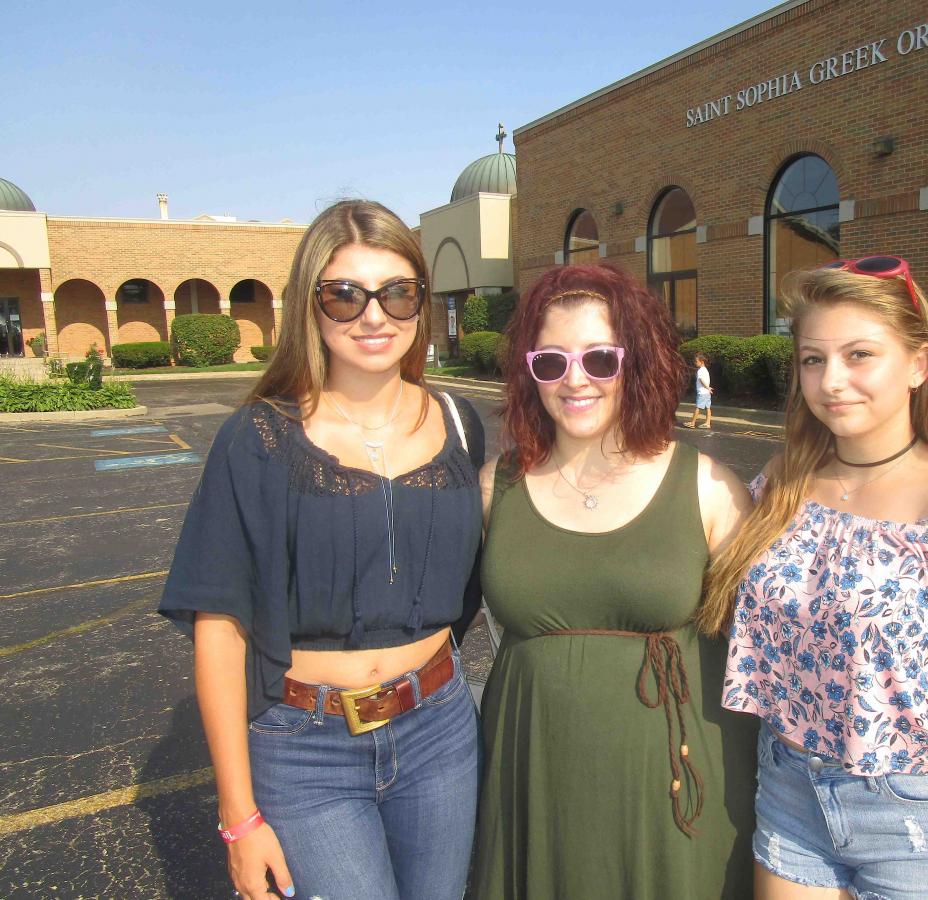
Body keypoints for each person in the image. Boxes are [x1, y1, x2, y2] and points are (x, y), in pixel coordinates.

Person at [700, 257, 928, 900]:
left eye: (859, 354)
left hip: (919, 818)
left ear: (918, 365)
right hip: (789, 790)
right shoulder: (784, 481)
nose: (831, 381)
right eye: (813, 359)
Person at [159, 200, 485, 900]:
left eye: (397, 293)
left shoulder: (460, 423)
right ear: (311, 304)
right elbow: (219, 627)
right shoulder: (259, 438)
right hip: (307, 749)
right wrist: (238, 818)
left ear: (421, 303)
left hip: (440, 730)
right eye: (345, 295)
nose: (374, 315)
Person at [470, 263, 757, 899]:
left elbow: (770, 652)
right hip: (535, 774)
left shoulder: (708, 488)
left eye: (600, 358)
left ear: (637, 363)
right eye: (552, 362)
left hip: (673, 788)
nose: (576, 380)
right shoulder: (495, 489)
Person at [687, 351, 714, 429]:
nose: (695, 363)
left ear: (701, 362)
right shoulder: (705, 370)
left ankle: (692, 423)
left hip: (702, 393)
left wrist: (707, 387)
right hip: (707, 393)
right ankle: (708, 423)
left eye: (696, 361)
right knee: (708, 408)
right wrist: (708, 388)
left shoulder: (700, 370)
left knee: (698, 407)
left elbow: (701, 380)